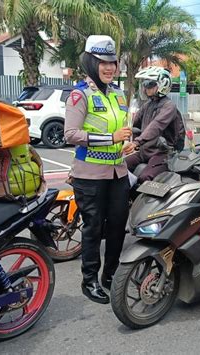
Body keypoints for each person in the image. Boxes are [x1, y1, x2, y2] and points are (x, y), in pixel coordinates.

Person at [64, 35, 132, 304]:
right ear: (91, 63)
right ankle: (89, 280)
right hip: (89, 175)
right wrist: (111, 139)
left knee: (117, 227)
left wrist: (128, 142)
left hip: (118, 173)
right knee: (93, 229)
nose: (108, 67)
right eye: (102, 62)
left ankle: (111, 275)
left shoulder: (117, 93)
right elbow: (71, 134)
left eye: (112, 62)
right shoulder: (80, 94)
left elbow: (123, 130)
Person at [123, 66, 182, 182]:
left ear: (162, 85)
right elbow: (134, 124)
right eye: (144, 84)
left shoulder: (169, 106)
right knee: (118, 166)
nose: (146, 88)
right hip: (145, 151)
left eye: (150, 84)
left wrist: (137, 142)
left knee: (145, 177)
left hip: (162, 153)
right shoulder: (148, 105)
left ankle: (139, 200)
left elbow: (156, 126)